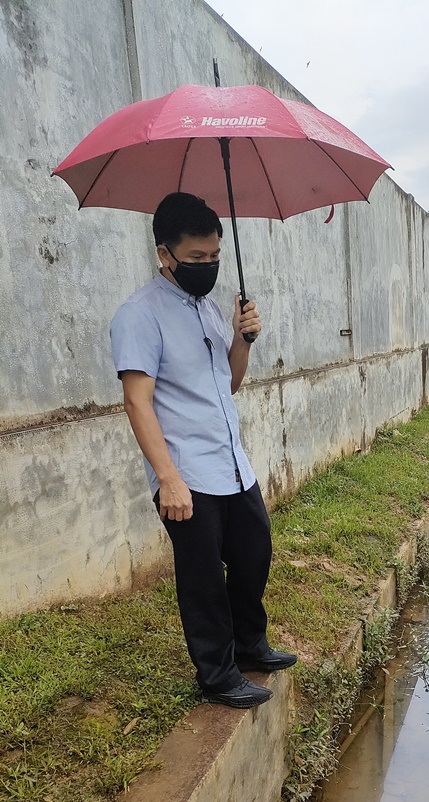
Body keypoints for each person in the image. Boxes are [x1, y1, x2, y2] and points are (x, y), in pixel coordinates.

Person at [110, 191, 296, 709]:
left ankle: (250, 645)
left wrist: (243, 339)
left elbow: (228, 384)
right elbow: (136, 400)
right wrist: (167, 477)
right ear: (164, 253)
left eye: (214, 257)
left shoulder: (212, 310)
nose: (207, 266)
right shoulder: (139, 315)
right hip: (186, 471)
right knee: (202, 579)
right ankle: (217, 674)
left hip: (230, 462)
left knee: (254, 553)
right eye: (196, 259)